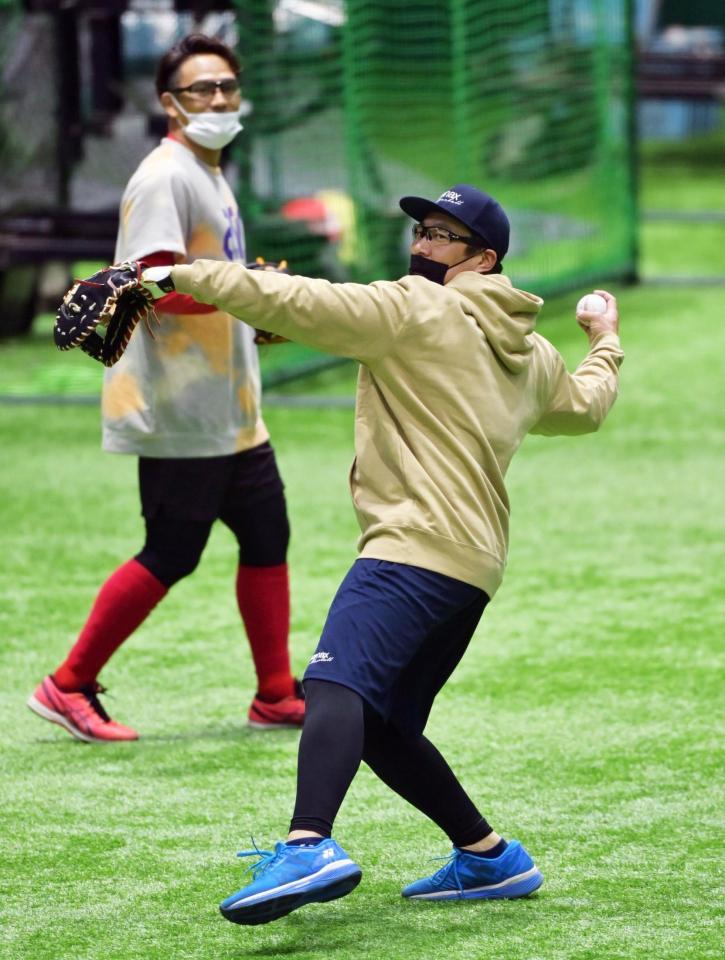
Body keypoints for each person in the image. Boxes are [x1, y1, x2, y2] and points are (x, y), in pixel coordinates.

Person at [139, 182, 623, 920]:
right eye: (420, 231)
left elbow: (297, 299)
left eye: (441, 235)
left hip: (410, 549)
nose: (421, 244)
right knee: (384, 726)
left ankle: (308, 842)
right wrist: (604, 337)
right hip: (473, 567)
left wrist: (173, 273)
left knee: (333, 683)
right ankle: (490, 857)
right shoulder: (532, 351)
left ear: (483, 258)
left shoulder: (414, 308)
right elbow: (584, 407)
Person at [27, 34, 304, 743]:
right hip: (179, 405)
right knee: (172, 552)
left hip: (229, 404)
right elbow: (152, 284)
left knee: (267, 534)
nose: (218, 98)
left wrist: (251, 303)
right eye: (201, 89)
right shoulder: (164, 177)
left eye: (226, 86)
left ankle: (275, 694)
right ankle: (67, 685)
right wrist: (249, 293)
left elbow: (207, 278)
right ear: (169, 103)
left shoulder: (207, 170)